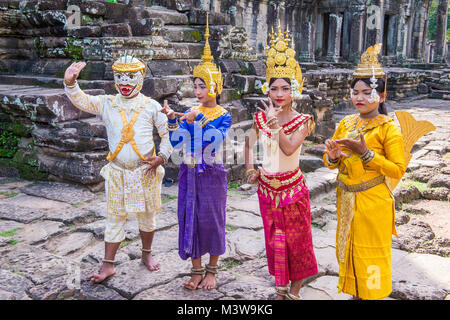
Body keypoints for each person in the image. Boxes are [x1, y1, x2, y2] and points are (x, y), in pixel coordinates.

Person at [63, 54, 173, 283]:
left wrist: (161, 157)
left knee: (147, 215)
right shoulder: (107, 102)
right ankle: (108, 264)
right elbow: (81, 101)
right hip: (117, 171)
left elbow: (166, 137)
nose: (125, 82)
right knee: (114, 217)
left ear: (141, 77)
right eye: (120, 76)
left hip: (146, 171)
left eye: (131, 76)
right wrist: (71, 83)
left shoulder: (152, 106)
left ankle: (146, 254)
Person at [322, 43, 407, 299]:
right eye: (355, 92)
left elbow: (398, 169)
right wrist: (334, 157)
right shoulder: (346, 123)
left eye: (366, 92)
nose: (358, 98)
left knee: (371, 254)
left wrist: (366, 153)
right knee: (349, 251)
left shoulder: (388, 128)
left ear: (381, 96)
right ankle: (356, 294)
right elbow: (330, 161)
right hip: (347, 199)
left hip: (374, 201)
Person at [244, 24, 318, 300]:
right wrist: (251, 169)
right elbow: (249, 143)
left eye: (285, 88)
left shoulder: (304, 121)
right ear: (267, 89)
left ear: (293, 90)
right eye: (274, 88)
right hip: (266, 188)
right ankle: (280, 288)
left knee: (297, 242)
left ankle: (295, 290)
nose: (278, 94)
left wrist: (276, 127)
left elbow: (288, 150)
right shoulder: (261, 117)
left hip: (292, 190)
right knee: (275, 240)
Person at [160, 13, 232, 291]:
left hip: (212, 172)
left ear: (215, 86)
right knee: (188, 216)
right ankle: (196, 269)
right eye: (196, 84)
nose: (197, 89)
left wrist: (196, 119)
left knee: (211, 218)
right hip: (189, 172)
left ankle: (212, 270)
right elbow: (178, 142)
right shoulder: (190, 110)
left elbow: (215, 140)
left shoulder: (223, 114)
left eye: (202, 85)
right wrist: (172, 119)